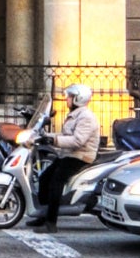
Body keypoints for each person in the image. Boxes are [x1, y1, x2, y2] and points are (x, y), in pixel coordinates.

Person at [28, 83, 102, 231]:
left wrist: (54, 140)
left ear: (78, 99)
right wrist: (46, 136)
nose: (66, 99)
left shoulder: (86, 117)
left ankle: (51, 223)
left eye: (70, 97)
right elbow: (65, 135)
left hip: (81, 156)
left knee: (56, 182)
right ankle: (43, 215)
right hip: (69, 154)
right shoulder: (75, 115)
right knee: (44, 178)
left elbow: (78, 141)